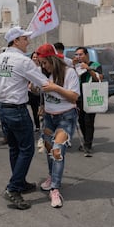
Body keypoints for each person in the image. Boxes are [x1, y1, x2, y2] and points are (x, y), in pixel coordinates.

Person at [0, 26, 49, 210]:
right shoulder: (23, 61)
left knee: (14, 148)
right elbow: (44, 83)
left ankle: (19, 182)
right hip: (17, 110)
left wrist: (2, 76)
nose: (28, 42)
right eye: (25, 39)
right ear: (16, 41)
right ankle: (13, 188)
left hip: (2, 109)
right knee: (26, 150)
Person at [36, 44, 80, 208]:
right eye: (41, 64)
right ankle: (51, 176)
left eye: (44, 63)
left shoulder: (69, 73)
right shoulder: (43, 74)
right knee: (49, 150)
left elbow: (74, 97)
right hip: (49, 118)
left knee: (57, 152)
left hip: (66, 117)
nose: (43, 67)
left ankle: (55, 189)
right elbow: (40, 92)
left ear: (52, 60)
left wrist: (55, 87)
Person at [72, 46, 103, 157]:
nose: (78, 57)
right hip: (79, 97)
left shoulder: (95, 65)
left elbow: (99, 78)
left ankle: (88, 145)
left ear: (86, 55)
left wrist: (88, 69)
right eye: (76, 55)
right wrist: (72, 65)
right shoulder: (75, 66)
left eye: (80, 54)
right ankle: (86, 141)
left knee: (89, 121)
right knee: (81, 120)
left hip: (90, 97)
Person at [28, 51, 41, 132]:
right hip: (31, 91)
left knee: (43, 108)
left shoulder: (42, 67)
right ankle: (37, 125)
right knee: (34, 109)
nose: (35, 59)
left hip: (41, 91)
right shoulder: (29, 68)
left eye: (36, 57)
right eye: (34, 57)